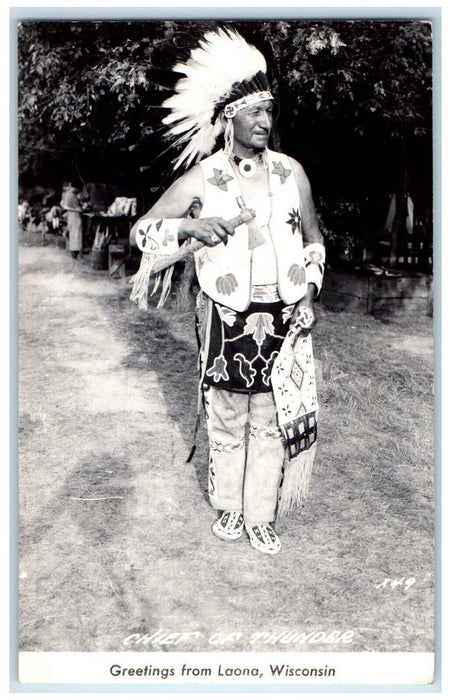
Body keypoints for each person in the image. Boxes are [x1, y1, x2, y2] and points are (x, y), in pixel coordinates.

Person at [130, 28, 326, 555]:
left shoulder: (292, 174)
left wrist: (308, 290)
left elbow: (313, 241)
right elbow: (142, 232)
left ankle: (262, 515)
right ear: (229, 117)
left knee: (270, 415)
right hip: (226, 313)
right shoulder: (205, 178)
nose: (265, 122)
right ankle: (230, 509)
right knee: (227, 412)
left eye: (270, 111)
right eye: (255, 112)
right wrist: (190, 230)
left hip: (284, 312)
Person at [60, 182, 84, 262]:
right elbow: (78, 208)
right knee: (76, 234)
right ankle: (75, 254)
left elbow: (64, 205)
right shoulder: (72, 195)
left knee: (73, 234)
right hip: (75, 216)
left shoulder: (67, 194)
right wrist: (79, 208)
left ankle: (74, 253)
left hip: (71, 216)